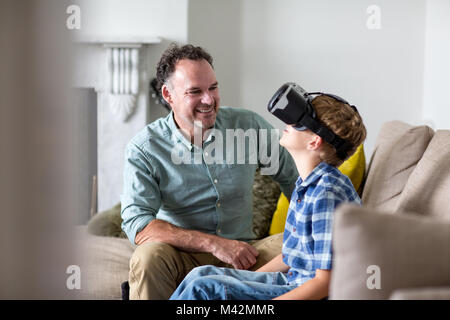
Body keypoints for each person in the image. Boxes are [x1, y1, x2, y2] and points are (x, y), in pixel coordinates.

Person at [120, 43, 299, 300]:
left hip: (245, 254)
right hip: (180, 256)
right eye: (195, 91)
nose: (209, 100)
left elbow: (296, 180)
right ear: (168, 95)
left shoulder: (247, 126)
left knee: (304, 246)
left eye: (213, 88)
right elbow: (139, 226)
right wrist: (213, 244)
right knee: (148, 257)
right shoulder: (145, 148)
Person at [169, 90, 367, 300]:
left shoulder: (326, 193)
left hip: (310, 291)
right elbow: (291, 256)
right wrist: (242, 281)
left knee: (205, 288)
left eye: (298, 123)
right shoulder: (306, 185)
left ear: (314, 142)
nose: (288, 124)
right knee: (202, 274)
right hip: (292, 280)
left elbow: (324, 283)